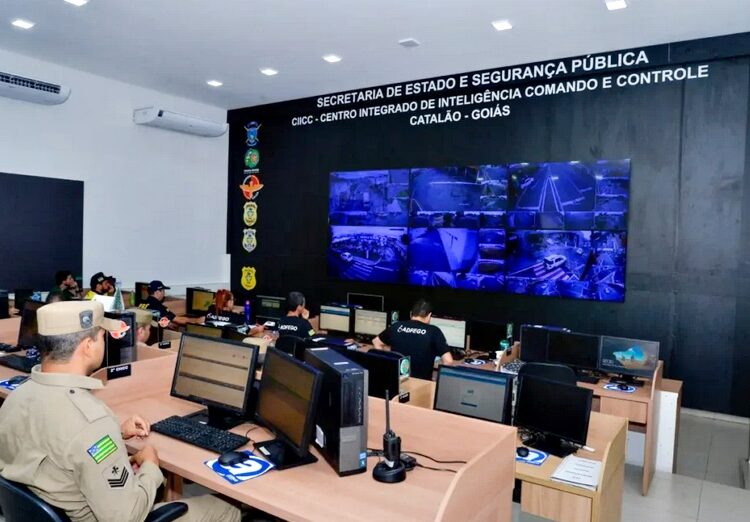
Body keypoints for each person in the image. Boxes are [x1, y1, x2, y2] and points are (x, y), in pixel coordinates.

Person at [0, 301, 240, 522]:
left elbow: (60, 445)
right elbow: (126, 517)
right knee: (226, 509)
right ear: (87, 346)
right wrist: (150, 465)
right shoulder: (92, 422)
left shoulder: (17, 397)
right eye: (102, 336)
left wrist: (115, 433)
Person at [372, 298, 454, 380]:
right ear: (429, 315)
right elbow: (448, 361)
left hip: (397, 381)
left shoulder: (397, 326)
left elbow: (376, 342)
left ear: (411, 313)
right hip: (421, 384)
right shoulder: (433, 331)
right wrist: (436, 382)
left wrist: (386, 364)